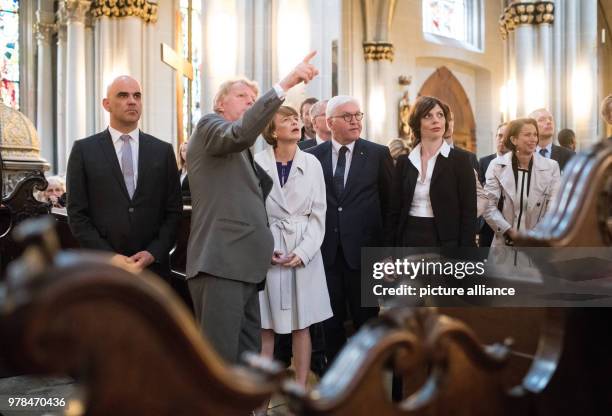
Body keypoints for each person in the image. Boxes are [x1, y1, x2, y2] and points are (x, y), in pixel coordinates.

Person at [186, 53, 319, 364]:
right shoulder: (209, 125)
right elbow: (240, 132)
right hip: (219, 263)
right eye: (242, 96)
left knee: (246, 358)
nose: (250, 101)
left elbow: (243, 201)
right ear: (220, 103)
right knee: (219, 362)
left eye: (254, 98)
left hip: (244, 262)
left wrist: (260, 245)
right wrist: (285, 84)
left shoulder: (240, 151)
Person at [306, 95, 393, 366]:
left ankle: (368, 380)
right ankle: (336, 381)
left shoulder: (378, 154)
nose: (355, 120)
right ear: (330, 122)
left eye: (358, 115)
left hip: (364, 253)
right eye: (347, 116)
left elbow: (391, 206)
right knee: (329, 323)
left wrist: (388, 252)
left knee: (366, 322)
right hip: (326, 254)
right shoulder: (311, 157)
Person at [66, 75, 182, 278]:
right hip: (102, 270)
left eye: (137, 96)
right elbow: (77, 215)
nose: (132, 101)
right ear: (106, 104)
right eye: (123, 95)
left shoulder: (162, 151)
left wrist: (153, 252)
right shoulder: (84, 150)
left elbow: (173, 212)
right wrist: (110, 257)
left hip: (153, 270)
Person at [254, 105, 332, 387]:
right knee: (266, 328)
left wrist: (303, 252)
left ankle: (300, 391)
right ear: (273, 131)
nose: (296, 123)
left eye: (297, 119)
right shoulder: (258, 162)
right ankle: (259, 401)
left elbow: (319, 213)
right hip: (270, 245)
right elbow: (253, 212)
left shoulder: (312, 163)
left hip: (302, 245)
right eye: (287, 120)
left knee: (302, 325)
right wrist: (264, 249)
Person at [387, 96, 477, 248]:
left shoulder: (461, 161)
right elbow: (394, 211)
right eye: (428, 116)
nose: (436, 120)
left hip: (446, 241)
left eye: (440, 115)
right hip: (408, 238)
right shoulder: (405, 162)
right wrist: (388, 252)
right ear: (417, 123)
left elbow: (468, 214)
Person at [482, 118, 560, 247]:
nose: (533, 139)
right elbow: (488, 206)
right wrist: (508, 231)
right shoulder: (496, 165)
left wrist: (533, 236)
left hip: (537, 245)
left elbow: (554, 207)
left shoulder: (551, 167)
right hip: (504, 243)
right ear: (514, 140)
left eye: (535, 134)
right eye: (527, 134)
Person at [478, 122, 509, 247]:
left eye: (505, 136)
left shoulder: (517, 163)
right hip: (487, 225)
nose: (502, 140)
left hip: (509, 222)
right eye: (499, 136)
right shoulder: (484, 161)